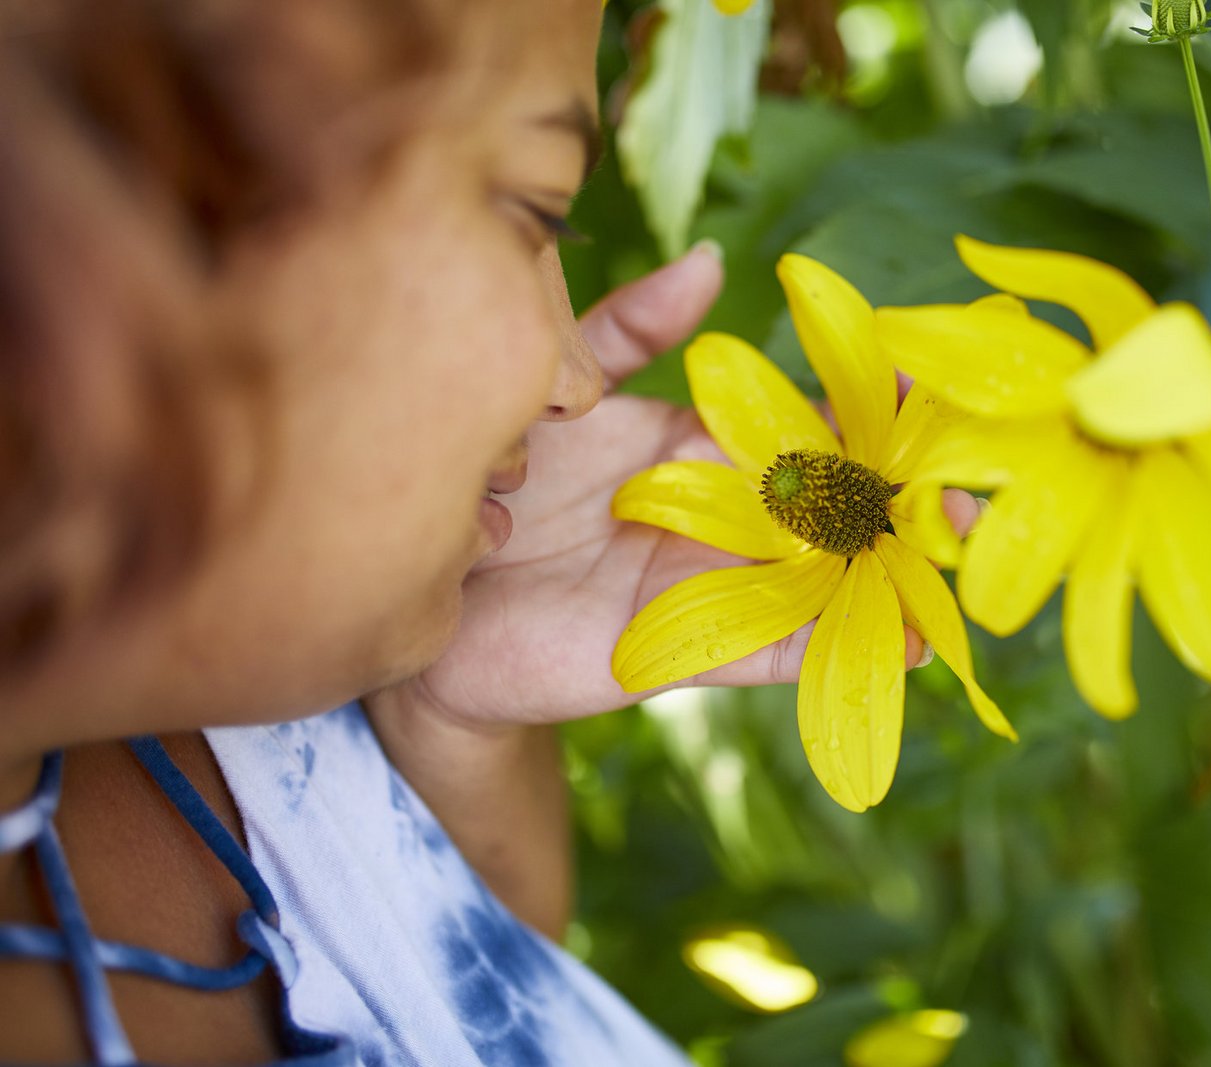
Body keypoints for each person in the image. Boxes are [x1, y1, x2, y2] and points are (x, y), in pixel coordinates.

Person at [0, 1, 965, 1063]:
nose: (577, 378)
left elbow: (479, 989)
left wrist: (447, 721)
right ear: (113, 215)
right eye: (532, 210)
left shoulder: (214, 697)